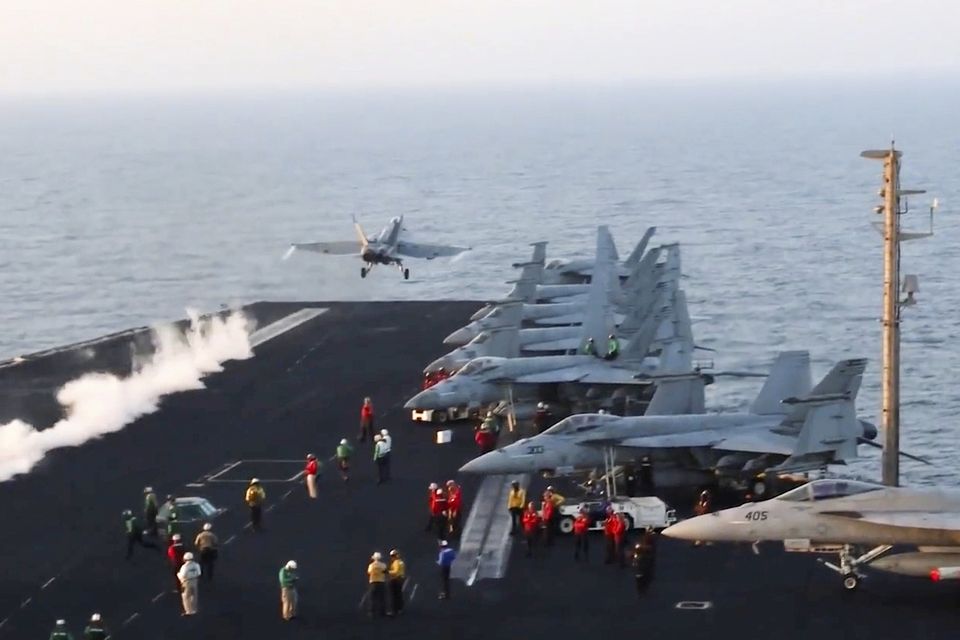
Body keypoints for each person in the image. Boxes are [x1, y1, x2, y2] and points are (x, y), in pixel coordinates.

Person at [177, 552, 202, 616]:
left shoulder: (184, 567)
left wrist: (178, 574)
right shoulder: (196, 565)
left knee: (186, 596)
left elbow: (182, 575)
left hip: (186, 582)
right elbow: (199, 573)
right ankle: (194, 609)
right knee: (194, 595)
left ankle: (188, 611)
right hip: (194, 581)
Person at [367, 552, 387, 617]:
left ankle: (372, 612)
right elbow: (385, 571)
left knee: (372, 598)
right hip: (381, 582)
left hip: (373, 582)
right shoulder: (383, 565)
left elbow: (369, 572)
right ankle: (382, 612)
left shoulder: (371, 565)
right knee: (382, 598)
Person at [387, 549, 406, 616]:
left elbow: (395, 572)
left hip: (395, 580)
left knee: (394, 595)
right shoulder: (401, 562)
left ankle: (394, 610)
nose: (391, 557)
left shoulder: (396, 562)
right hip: (400, 579)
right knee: (399, 595)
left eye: (392, 556)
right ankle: (400, 609)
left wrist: (388, 572)